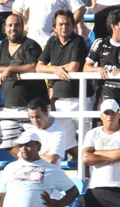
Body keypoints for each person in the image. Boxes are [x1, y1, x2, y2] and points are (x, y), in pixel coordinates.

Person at [0, 14, 47, 146]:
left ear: (23, 27)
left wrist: (12, 68)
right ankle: (24, 160)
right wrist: (9, 69)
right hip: (10, 107)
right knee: (4, 143)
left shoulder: (30, 45)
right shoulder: (3, 45)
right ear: (4, 29)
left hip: (32, 108)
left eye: (17, 25)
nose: (13, 28)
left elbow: (34, 66)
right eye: (10, 25)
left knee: (39, 145)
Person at [36, 10, 92, 139]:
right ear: (55, 27)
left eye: (67, 24)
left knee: (86, 139)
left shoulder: (78, 41)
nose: (64, 27)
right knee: (63, 141)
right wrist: (55, 69)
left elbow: (73, 67)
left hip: (80, 98)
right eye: (60, 24)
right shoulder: (51, 42)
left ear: (73, 26)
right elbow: (39, 67)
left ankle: (85, 159)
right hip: (60, 99)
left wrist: (52, 69)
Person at [0, 132, 79, 207]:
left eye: (28, 145)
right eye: (21, 145)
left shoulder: (52, 169)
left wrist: (56, 205)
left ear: (38, 146)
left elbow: (73, 191)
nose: (24, 149)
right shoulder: (10, 167)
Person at [84, 10, 120, 125]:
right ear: (113, 26)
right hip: (104, 99)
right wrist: (99, 69)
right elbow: (86, 68)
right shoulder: (100, 43)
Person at [82, 99, 120, 207]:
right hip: (95, 189)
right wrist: (116, 156)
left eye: (113, 112)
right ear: (101, 115)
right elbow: (85, 158)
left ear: (119, 114)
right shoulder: (92, 133)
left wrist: (96, 153)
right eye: (106, 113)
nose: (109, 116)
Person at [17, 98, 75, 166]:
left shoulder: (59, 132)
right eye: (31, 117)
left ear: (46, 114)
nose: (35, 121)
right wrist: (43, 156)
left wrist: (30, 156)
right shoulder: (28, 133)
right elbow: (20, 158)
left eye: (38, 117)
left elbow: (51, 159)